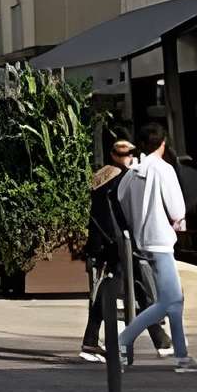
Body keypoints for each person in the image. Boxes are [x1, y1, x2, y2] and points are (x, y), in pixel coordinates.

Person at [117, 123, 197, 371]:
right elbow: (177, 209)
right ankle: (123, 340)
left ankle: (182, 355)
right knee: (169, 300)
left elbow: (121, 201)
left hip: (141, 241)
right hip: (161, 241)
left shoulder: (132, 172)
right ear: (163, 143)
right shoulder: (164, 169)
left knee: (173, 301)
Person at [78, 136, 144, 364]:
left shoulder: (101, 176)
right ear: (115, 155)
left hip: (100, 242)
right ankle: (159, 337)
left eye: (131, 153)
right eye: (125, 154)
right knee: (126, 286)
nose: (130, 157)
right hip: (114, 243)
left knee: (110, 288)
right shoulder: (121, 179)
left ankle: (92, 340)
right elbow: (119, 213)